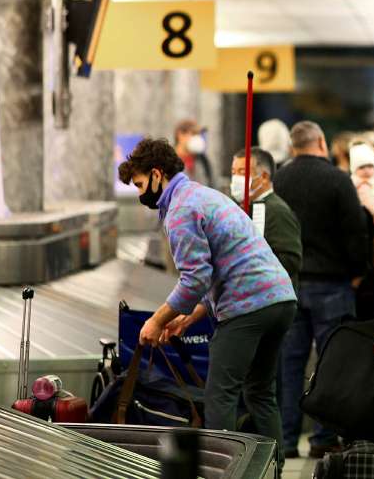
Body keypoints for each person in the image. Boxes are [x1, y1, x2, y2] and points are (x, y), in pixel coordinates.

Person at [119, 138, 297, 466]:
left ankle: (224, 473)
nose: (140, 193)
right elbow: (218, 269)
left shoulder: (180, 210)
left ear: (158, 174)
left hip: (247, 306)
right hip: (280, 299)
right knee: (260, 392)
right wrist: (187, 318)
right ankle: (276, 470)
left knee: (220, 396)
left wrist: (157, 319)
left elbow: (194, 279)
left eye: (141, 184)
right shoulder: (206, 195)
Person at [272, 121, 372, 459]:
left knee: (289, 365)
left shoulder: (278, 180)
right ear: (319, 142)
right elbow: (355, 231)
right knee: (331, 364)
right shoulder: (337, 180)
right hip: (332, 283)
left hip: (289, 285)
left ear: (292, 145)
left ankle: (286, 440)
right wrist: (358, 272)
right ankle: (322, 438)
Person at [230, 147, 302, 292]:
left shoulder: (277, 210)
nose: (236, 178)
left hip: (270, 295)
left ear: (263, 176)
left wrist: (251, 262)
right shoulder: (236, 207)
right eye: (233, 173)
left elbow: (291, 260)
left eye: (242, 172)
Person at [174, 119, 213, 187]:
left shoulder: (203, 161)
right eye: (194, 134)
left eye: (198, 134)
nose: (198, 138)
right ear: (180, 135)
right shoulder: (167, 160)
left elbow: (212, 185)